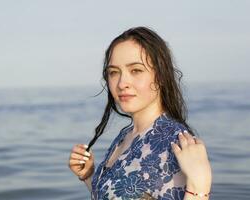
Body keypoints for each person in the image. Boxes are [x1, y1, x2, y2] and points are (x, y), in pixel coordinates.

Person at [68, 27, 212, 199]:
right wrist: (89, 177)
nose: (122, 83)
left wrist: (200, 184)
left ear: (160, 76)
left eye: (136, 70)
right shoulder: (125, 136)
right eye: (114, 72)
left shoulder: (175, 141)